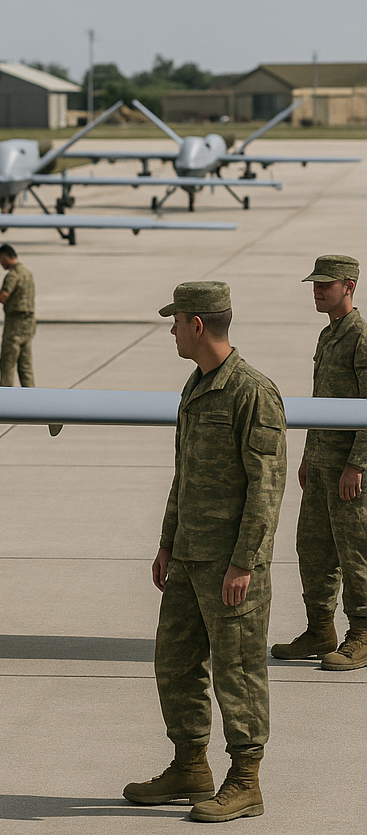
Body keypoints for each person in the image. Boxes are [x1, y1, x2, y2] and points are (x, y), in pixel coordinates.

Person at [124, 281, 286, 823]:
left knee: (237, 670)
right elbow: (184, 473)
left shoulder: (252, 392)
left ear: (197, 325)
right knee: (175, 663)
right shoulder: (195, 386)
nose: (171, 331)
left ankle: (246, 782)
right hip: (189, 557)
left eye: (176, 322)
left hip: (229, 564)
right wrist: (167, 542)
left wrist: (244, 562)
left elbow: (266, 487)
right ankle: (190, 765)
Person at [272, 254, 367, 670]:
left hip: (351, 470)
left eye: (325, 284)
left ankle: (362, 632)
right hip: (323, 465)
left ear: (349, 286)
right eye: (315, 283)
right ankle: (320, 630)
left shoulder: (361, 336)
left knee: (356, 552)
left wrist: (357, 464)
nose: (317, 290)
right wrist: (309, 456)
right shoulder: (329, 335)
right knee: (313, 549)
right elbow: (322, 400)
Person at [0, 244, 34, 386]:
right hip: (28, 324)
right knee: (25, 365)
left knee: (8, 361)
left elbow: (3, 296)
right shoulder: (27, 273)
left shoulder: (13, 275)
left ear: (7, 257)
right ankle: (30, 393)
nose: (0, 262)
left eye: (1, 259)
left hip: (14, 324)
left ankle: (5, 394)